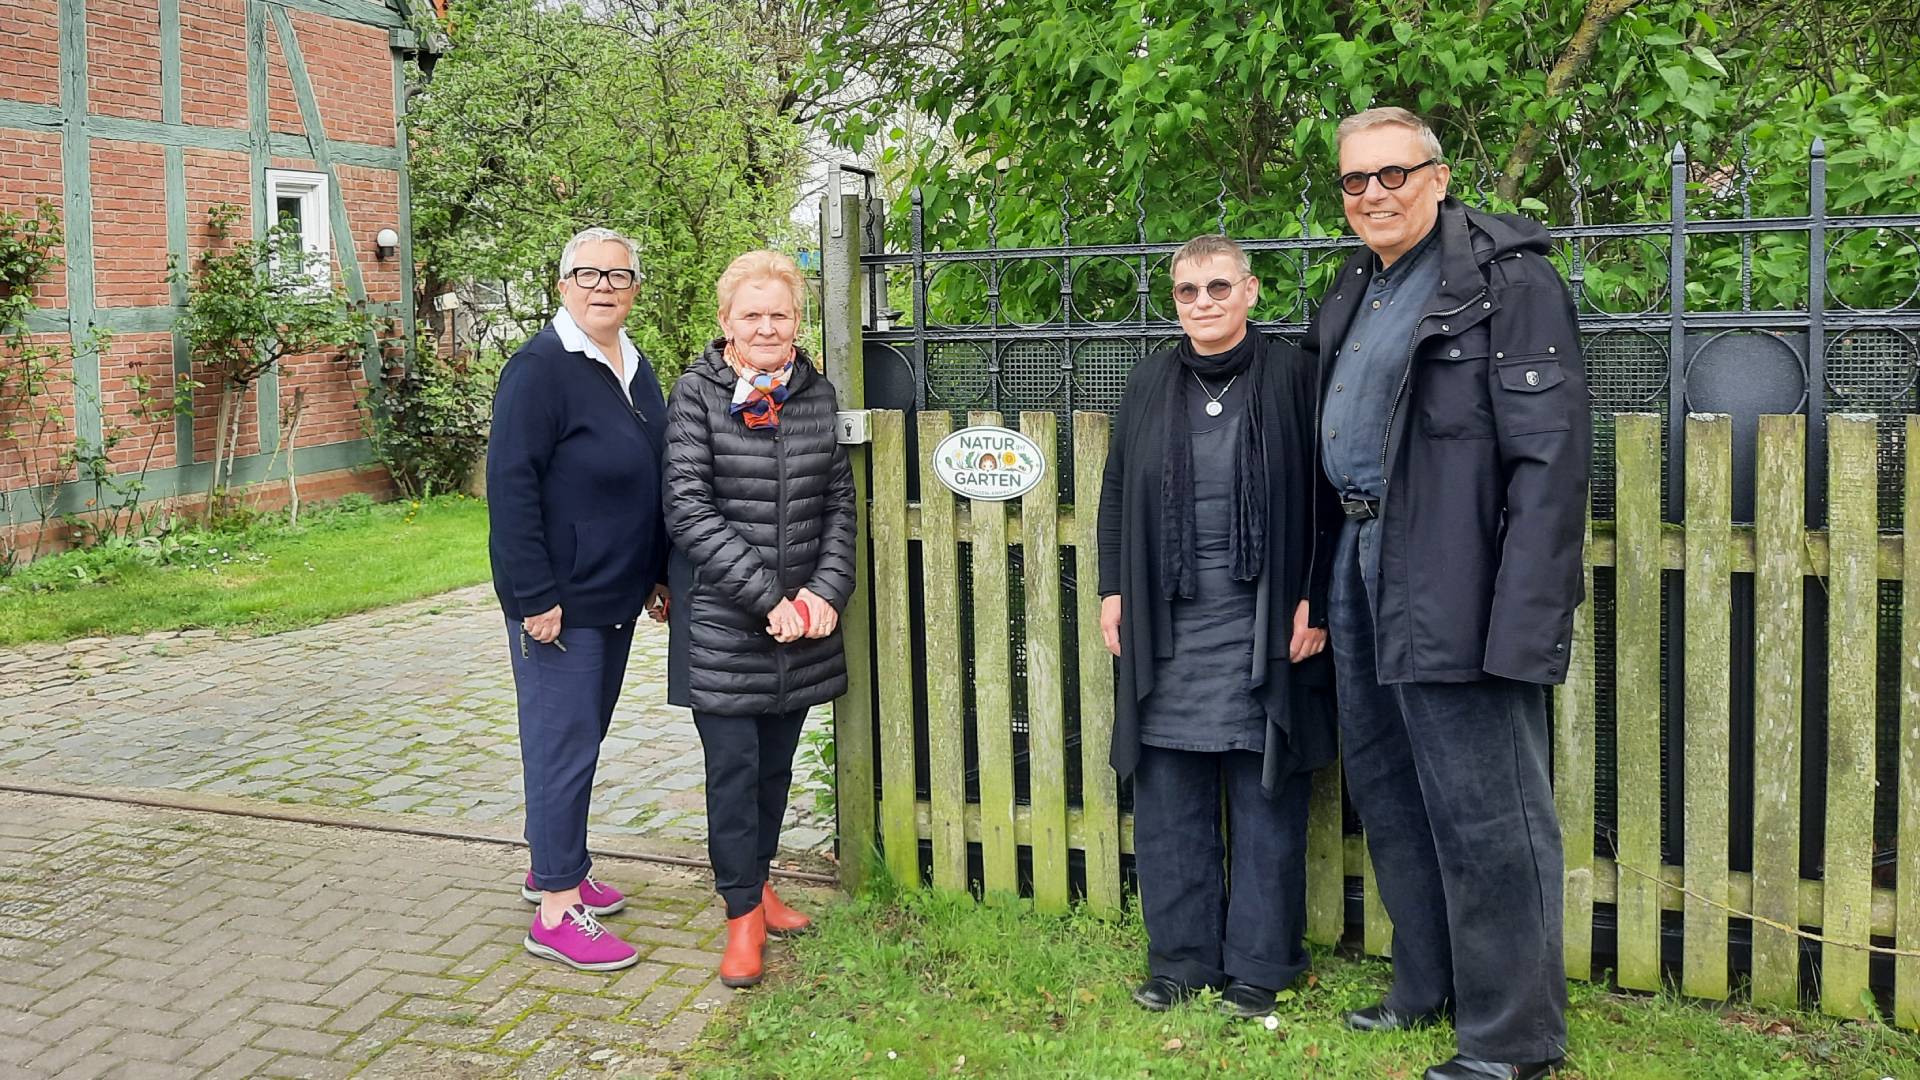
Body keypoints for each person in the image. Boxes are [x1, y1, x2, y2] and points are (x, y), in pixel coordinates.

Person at [1308, 107, 1590, 1080]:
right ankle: (1425, 987)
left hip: (1454, 572)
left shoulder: (1508, 282)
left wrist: (1525, 620)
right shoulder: (1358, 284)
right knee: (1390, 792)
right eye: (1355, 181)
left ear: (1437, 176)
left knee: (1489, 813)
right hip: (1360, 558)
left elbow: (1549, 464)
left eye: (1393, 174)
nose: (1374, 194)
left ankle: (1513, 1042)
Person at [1096, 234, 1337, 1020]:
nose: (1203, 302)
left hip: (1261, 619)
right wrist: (1112, 589)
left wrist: (1315, 599)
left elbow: (1330, 495)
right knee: (1168, 797)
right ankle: (1182, 961)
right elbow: (1116, 490)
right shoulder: (1149, 380)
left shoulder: (1295, 376)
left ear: (1251, 290)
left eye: (1218, 287)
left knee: (1265, 795)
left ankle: (1261, 966)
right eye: (1187, 291)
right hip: (1167, 623)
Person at [664, 249, 857, 988]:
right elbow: (688, 508)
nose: (767, 327)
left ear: (798, 322)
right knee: (733, 773)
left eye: (780, 314)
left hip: (801, 626)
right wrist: (768, 599)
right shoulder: (696, 394)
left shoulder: (816, 393)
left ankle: (763, 883)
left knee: (775, 769)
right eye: (752, 315)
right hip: (725, 625)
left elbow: (839, 504)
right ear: (726, 322)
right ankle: (741, 913)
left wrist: (823, 595)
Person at [488, 226, 671, 972]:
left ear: (634, 290)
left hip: (615, 594)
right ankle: (557, 912)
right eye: (588, 274)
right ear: (562, 285)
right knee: (560, 746)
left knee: (580, 739)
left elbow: (655, 476)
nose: (603, 286)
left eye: (618, 276)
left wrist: (658, 571)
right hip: (558, 603)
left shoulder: (635, 366)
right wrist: (533, 594)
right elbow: (510, 487)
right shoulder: (539, 369)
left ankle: (553, 866)